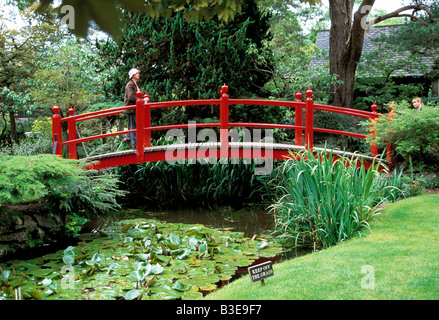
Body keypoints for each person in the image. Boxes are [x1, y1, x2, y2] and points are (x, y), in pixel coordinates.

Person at [123, 68, 140, 148]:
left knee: (133, 125)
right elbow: (131, 96)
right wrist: (141, 100)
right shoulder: (130, 84)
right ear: (133, 75)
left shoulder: (134, 84)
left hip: (133, 108)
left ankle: (129, 138)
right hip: (131, 108)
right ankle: (135, 144)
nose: (138, 74)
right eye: (137, 73)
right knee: (133, 125)